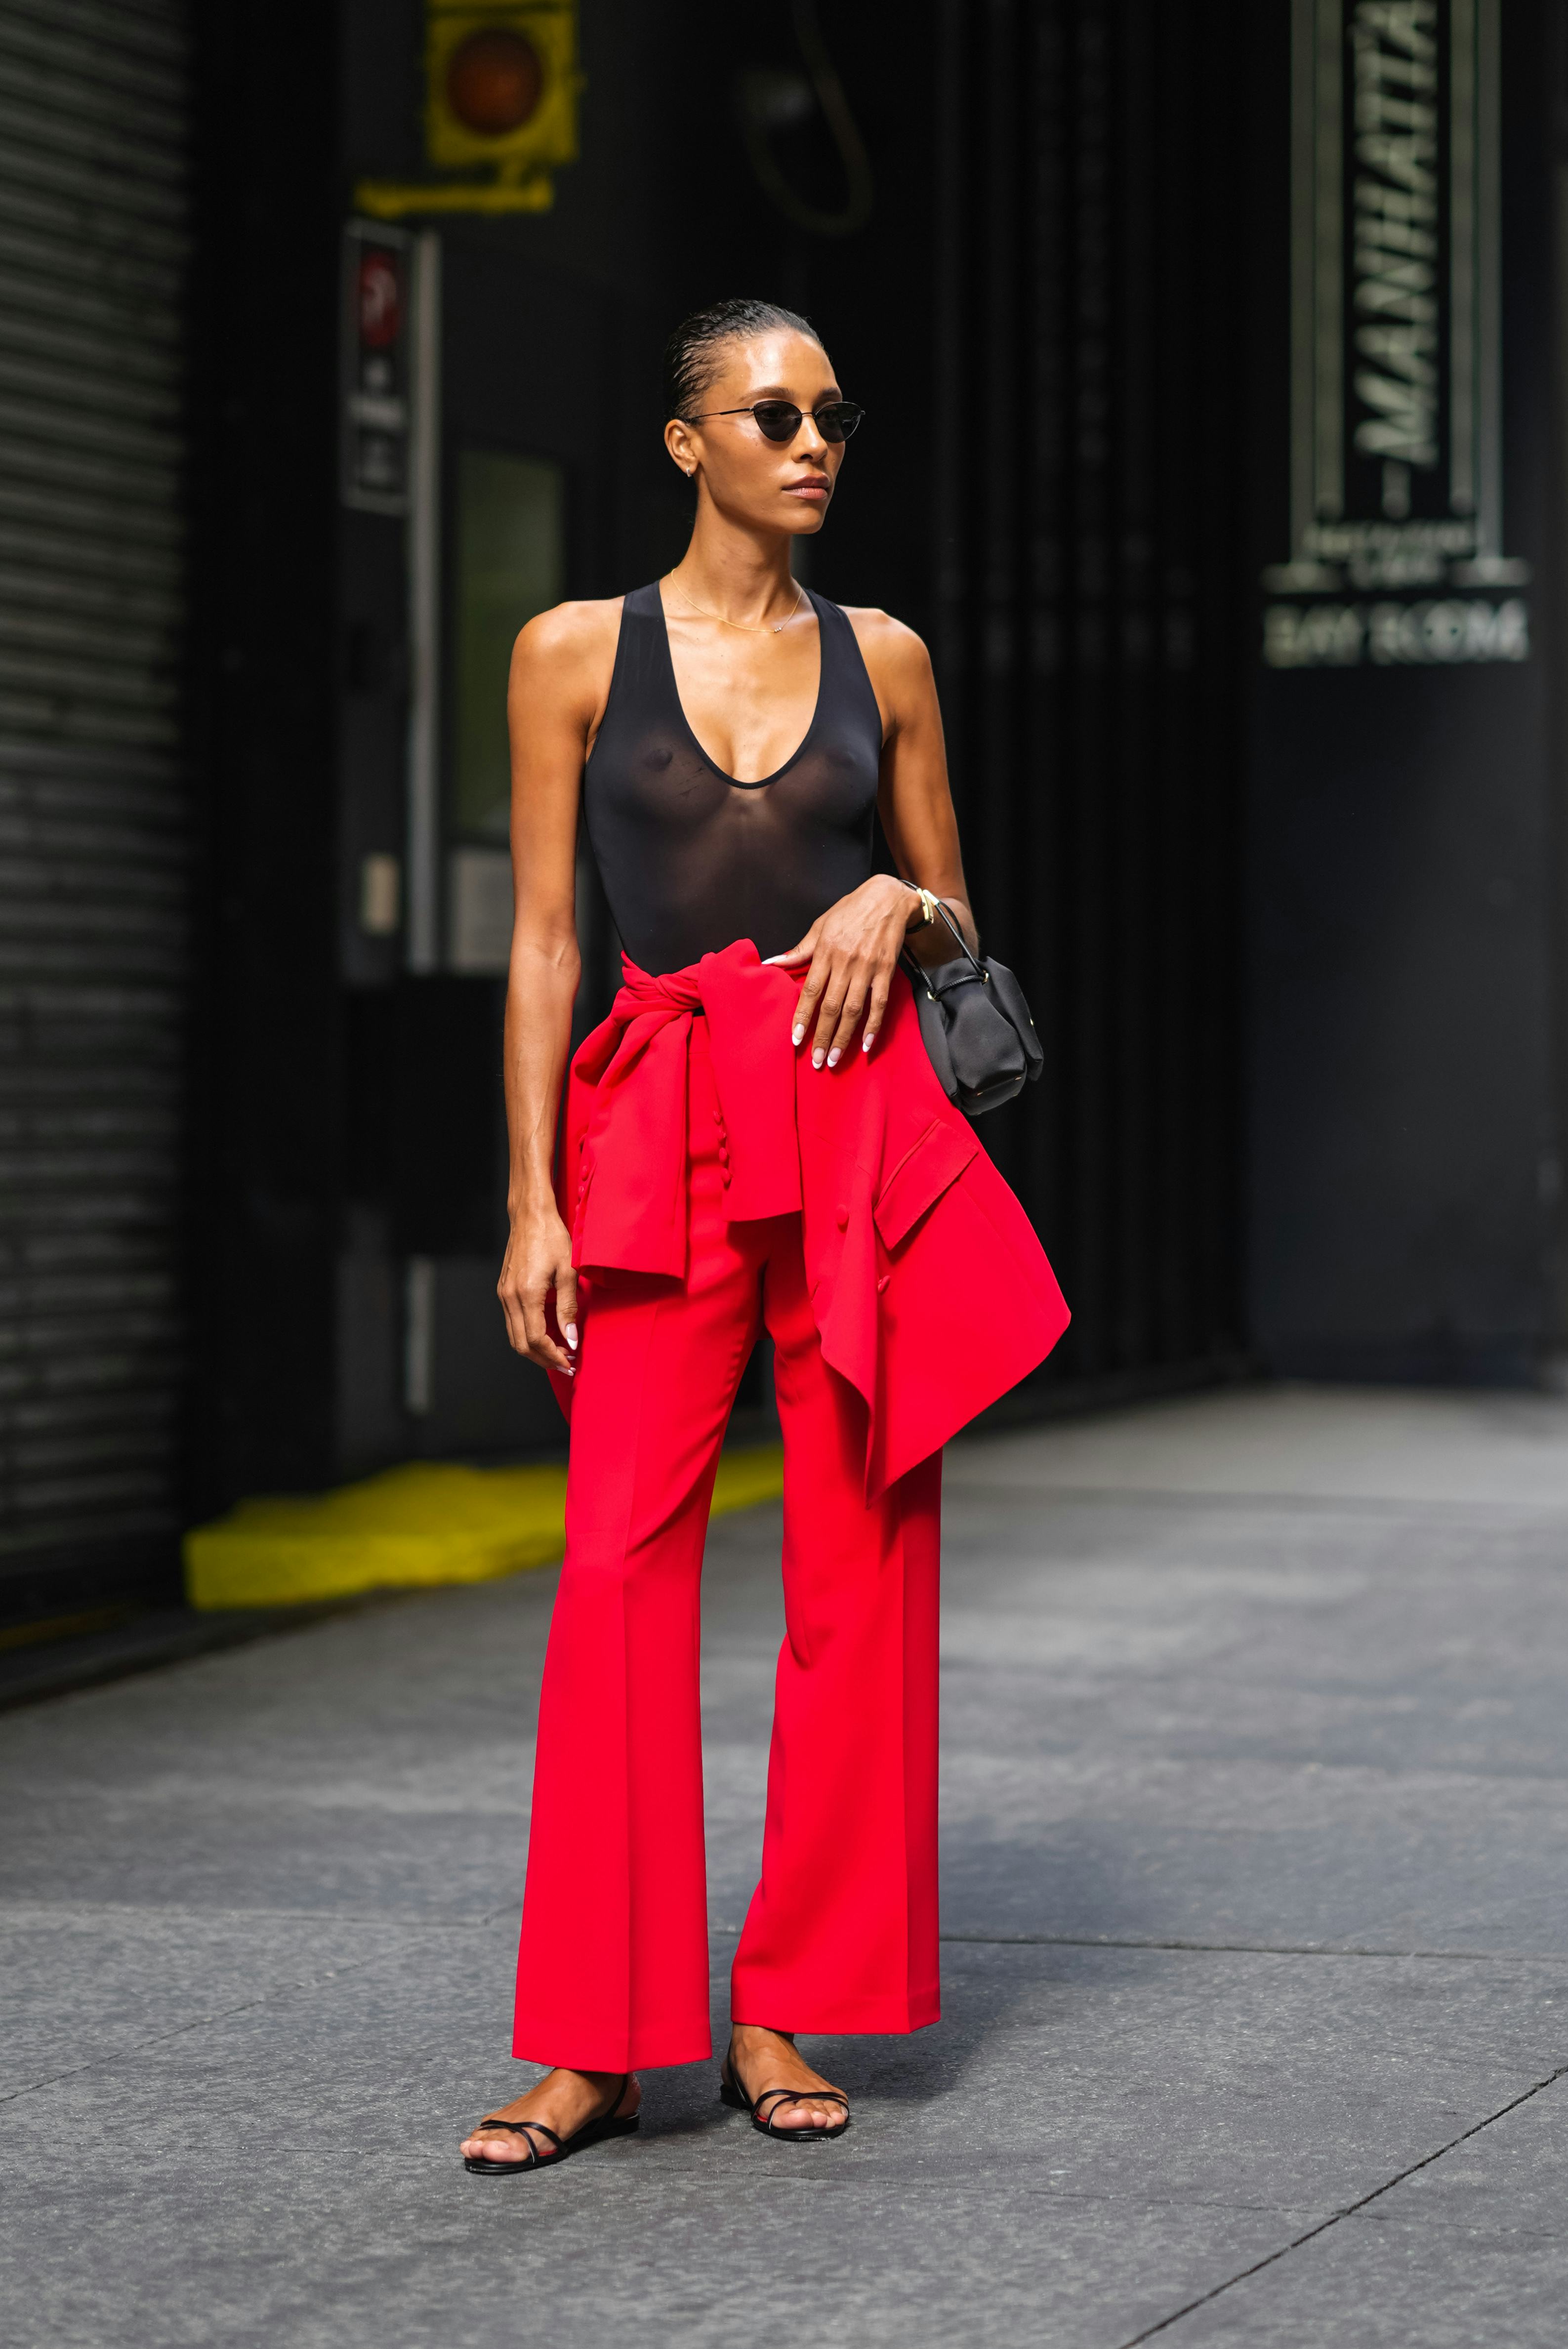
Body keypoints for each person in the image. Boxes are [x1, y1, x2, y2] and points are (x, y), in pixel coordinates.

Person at [461, 298, 1067, 2176]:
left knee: (857, 1570)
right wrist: (530, 1196)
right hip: (655, 1130)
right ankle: (590, 2044)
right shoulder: (570, 652)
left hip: (859, 1126)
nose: (812, 441)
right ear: (686, 443)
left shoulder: (884, 656)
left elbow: (962, 908)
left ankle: (784, 2002)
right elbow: (550, 940)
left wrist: (901, 893)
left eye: (831, 412)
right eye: (772, 410)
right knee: (619, 1568)